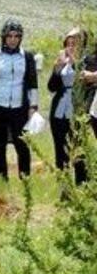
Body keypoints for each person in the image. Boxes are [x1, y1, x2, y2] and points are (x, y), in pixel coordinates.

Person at [0, 18, 38, 180]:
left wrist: (33, 106)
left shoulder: (27, 57)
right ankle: (1, 179)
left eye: (16, 36)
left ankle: (25, 179)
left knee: (22, 144)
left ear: (20, 38)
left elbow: (33, 83)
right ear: (4, 37)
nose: (12, 39)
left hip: (20, 108)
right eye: (9, 36)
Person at [48, 28, 86, 183]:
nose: (70, 47)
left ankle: (81, 187)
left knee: (78, 151)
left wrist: (75, 62)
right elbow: (51, 87)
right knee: (60, 151)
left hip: (77, 111)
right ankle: (64, 189)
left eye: (74, 44)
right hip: (59, 111)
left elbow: (85, 82)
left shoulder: (86, 61)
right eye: (68, 44)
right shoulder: (62, 62)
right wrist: (56, 70)